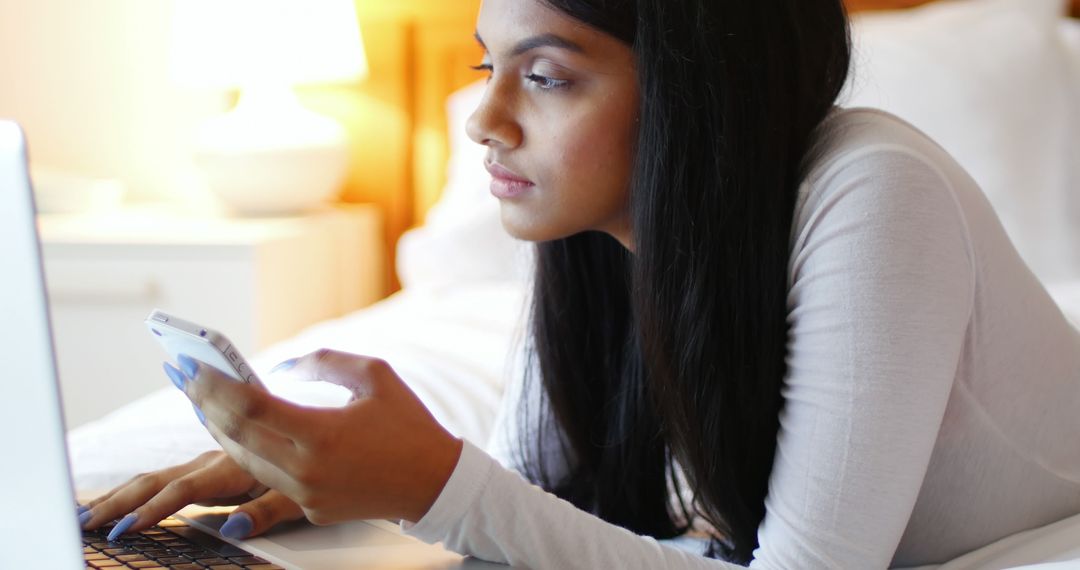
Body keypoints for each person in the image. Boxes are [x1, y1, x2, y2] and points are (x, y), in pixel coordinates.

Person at [81, 0, 1080, 567]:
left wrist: (432, 485)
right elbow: (549, 503)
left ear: (694, 88)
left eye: (546, 74)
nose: (483, 116)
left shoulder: (875, 190)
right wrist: (356, 479)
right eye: (488, 64)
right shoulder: (594, 229)